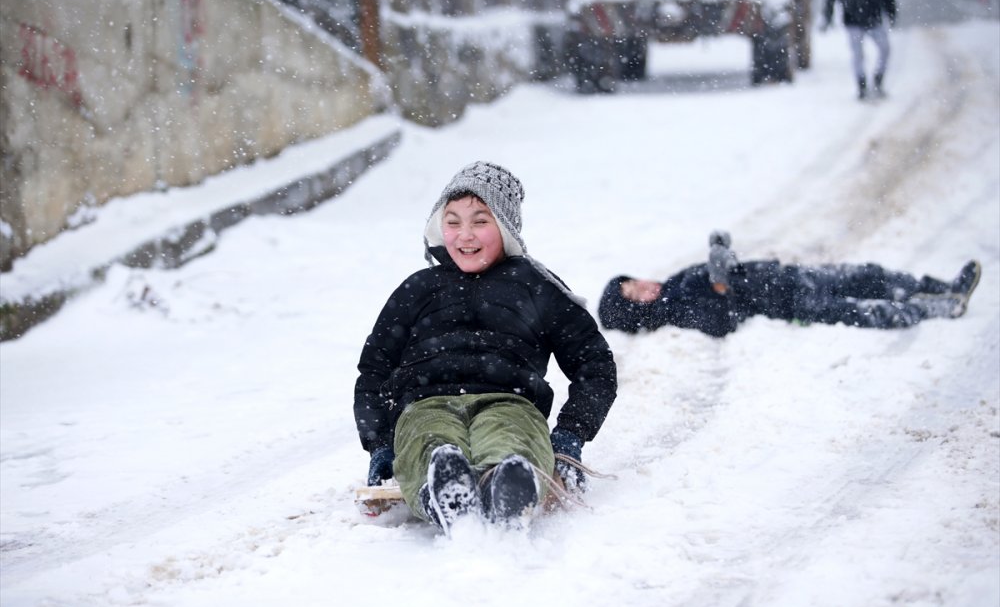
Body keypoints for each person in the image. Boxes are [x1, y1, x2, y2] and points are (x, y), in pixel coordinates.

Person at [354, 161, 618, 534]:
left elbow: (594, 364)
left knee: (509, 436)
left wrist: (570, 436)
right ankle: (443, 489)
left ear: (505, 227)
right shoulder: (418, 289)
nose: (465, 235)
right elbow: (374, 370)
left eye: (480, 221)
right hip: (425, 405)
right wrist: (380, 443)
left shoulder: (536, 285)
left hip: (510, 402)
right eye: (453, 222)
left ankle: (509, 482)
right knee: (429, 441)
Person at [598, 231, 982, 338]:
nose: (644, 287)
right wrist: (720, 286)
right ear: (639, 312)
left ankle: (936, 286)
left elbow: (725, 271)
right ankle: (940, 305)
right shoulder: (675, 308)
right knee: (865, 312)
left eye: (633, 282)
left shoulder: (675, 283)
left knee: (868, 275)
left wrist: (721, 254)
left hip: (788, 277)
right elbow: (720, 320)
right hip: (787, 301)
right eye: (636, 297)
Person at [821, 0, 897, 100]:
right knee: (858, 54)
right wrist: (828, 16)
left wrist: (892, 14)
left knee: (885, 49)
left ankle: (878, 80)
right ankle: (861, 85)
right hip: (853, 22)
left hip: (875, 21)